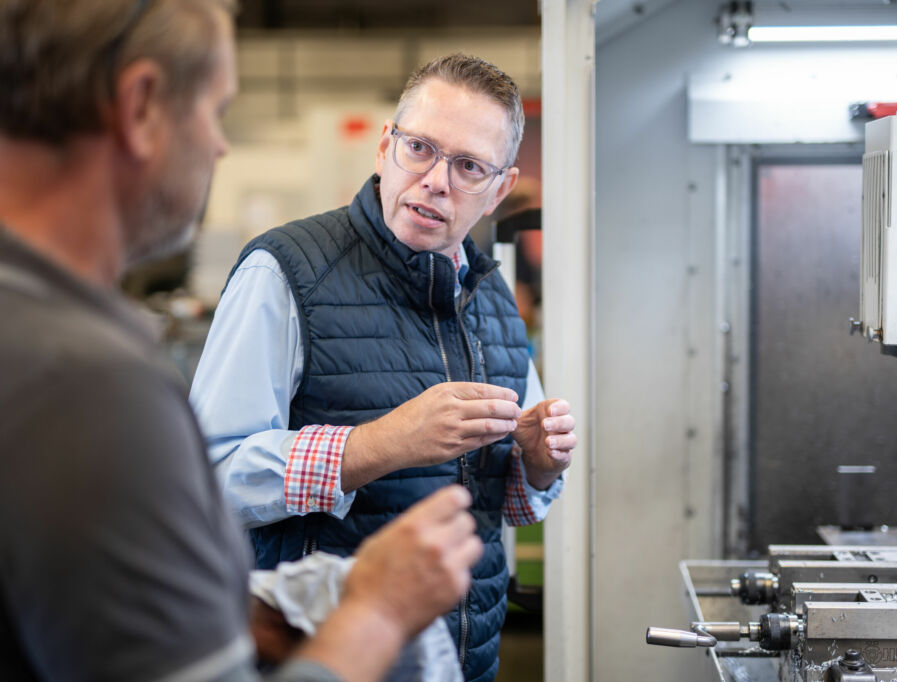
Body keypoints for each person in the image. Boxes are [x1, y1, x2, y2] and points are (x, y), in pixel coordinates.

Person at [0, 1, 483, 680]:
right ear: (141, 107)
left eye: (469, 166)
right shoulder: (91, 386)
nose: (221, 147)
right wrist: (376, 611)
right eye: (217, 111)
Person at [190, 54, 577, 681]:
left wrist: (536, 463)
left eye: (468, 166)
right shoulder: (285, 272)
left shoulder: (496, 302)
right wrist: (383, 443)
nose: (434, 180)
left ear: (499, 189)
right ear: (383, 148)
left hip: (466, 660)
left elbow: (504, 502)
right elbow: (208, 480)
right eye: (419, 148)